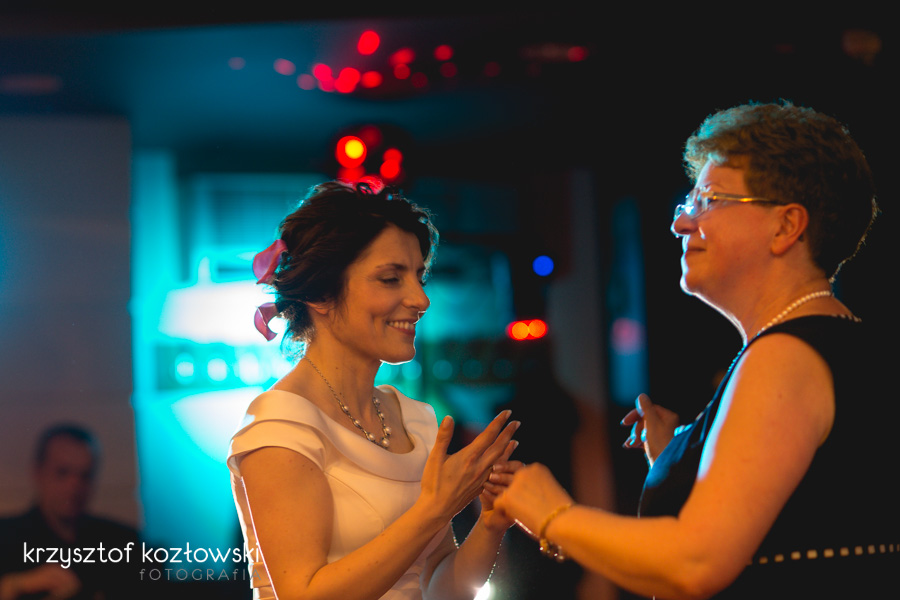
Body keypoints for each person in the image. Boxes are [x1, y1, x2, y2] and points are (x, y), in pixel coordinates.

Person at [493, 101, 896, 599]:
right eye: (688, 203)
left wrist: (552, 513)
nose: (681, 224)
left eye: (709, 200)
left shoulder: (785, 357)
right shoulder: (836, 341)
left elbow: (696, 563)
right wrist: (678, 462)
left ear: (786, 226)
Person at [227, 179, 521, 600]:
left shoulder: (414, 419)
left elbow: (440, 588)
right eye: (391, 279)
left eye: (419, 277)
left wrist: (490, 523)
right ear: (321, 294)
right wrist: (435, 508)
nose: (421, 300)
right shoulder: (280, 426)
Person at [0, 424, 146, 600]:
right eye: (62, 473)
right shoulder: (5, 537)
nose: (74, 486)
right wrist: (16, 585)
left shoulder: (124, 541)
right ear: (38, 472)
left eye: (85, 475)